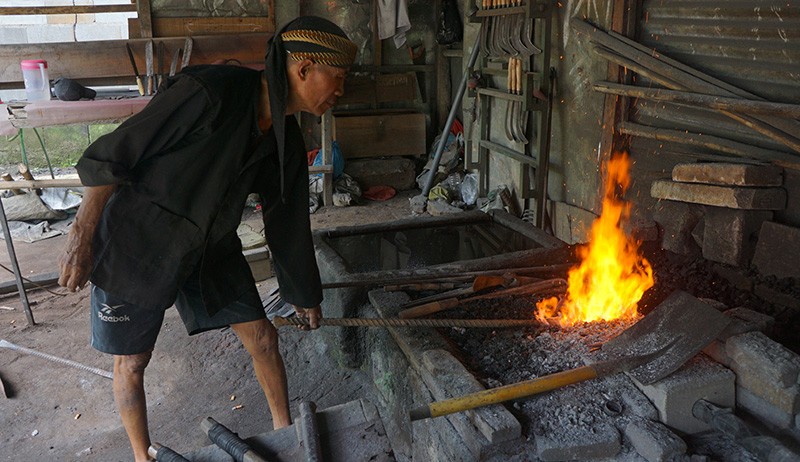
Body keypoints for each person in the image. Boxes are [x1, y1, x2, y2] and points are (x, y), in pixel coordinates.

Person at [57, 16, 356, 462]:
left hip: (208, 247)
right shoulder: (210, 94)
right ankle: (143, 456)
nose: (341, 92)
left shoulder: (285, 139)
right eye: (339, 78)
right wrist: (82, 233)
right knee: (133, 363)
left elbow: (287, 220)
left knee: (263, 338)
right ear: (304, 68)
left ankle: (286, 435)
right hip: (139, 242)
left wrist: (304, 293)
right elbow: (116, 151)